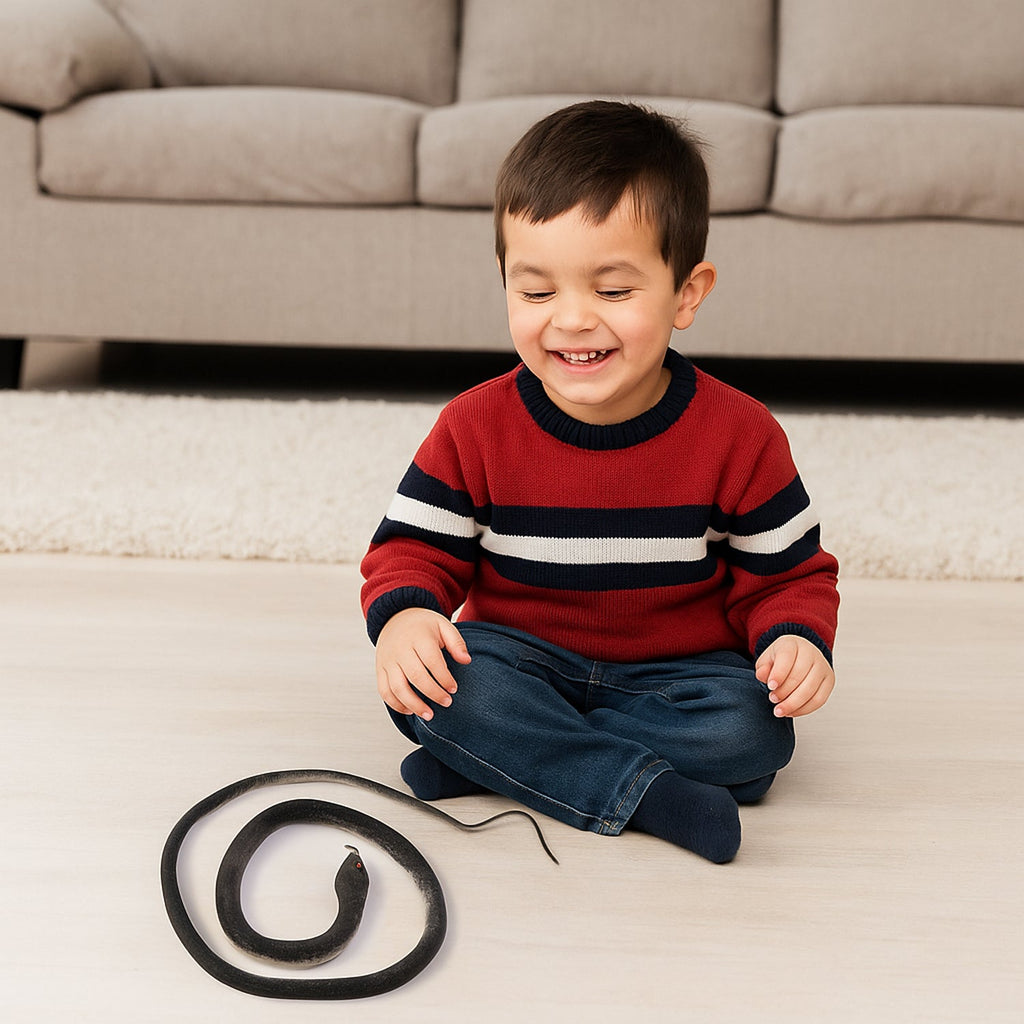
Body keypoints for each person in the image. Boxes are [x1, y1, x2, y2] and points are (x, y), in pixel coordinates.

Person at [360, 101, 839, 863]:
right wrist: (407, 618)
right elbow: (411, 551)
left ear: (687, 293)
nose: (573, 320)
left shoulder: (741, 435)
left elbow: (789, 575)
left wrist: (794, 639)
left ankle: (503, 759)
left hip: (678, 675)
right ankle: (642, 791)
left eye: (613, 292)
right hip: (520, 660)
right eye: (536, 292)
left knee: (750, 734)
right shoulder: (473, 425)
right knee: (438, 689)